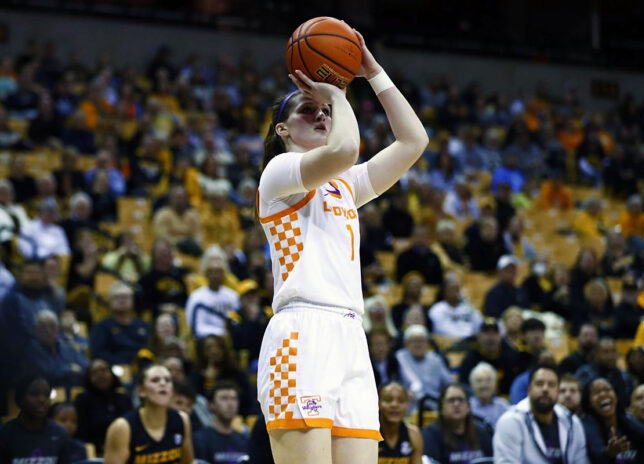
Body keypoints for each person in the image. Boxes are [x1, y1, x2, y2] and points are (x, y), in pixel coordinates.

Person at [256, 29, 428, 464]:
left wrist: (372, 71)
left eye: (325, 111)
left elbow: (413, 142)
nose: (322, 115)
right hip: (300, 335)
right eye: (308, 110)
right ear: (282, 129)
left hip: (351, 335)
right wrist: (337, 93)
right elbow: (347, 148)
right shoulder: (278, 174)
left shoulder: (343, 185)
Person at [493, 364, 588, 463]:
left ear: (558, 392)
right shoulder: (510, 421)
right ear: (529, 390)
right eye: (539, 384)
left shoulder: (573, 423)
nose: (545, 389)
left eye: (551, 385)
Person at [104, 364, 194, 464]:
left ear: (172, 391)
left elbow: (188, 462)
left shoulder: (182, 420)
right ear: (141, 391)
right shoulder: (122, 428)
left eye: (167, 380)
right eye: (155, 380)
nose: (163, 383)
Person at [580, 377, 644, 463]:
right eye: (597, 392)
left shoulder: (629, 424)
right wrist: (608, 453)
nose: (603, 394)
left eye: (608, 389)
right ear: (590, 403)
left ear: (616, 396)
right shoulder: (587, 425)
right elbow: (596, 454)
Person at [0, 377, 71, 463]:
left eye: (46, 395)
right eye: (34, 394)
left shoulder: (59, 433)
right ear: (21, 399)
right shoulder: (5, 434)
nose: (42, 400)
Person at [422, 384, 493, 463]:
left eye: (461, 400)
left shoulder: (481, 432)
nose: (456, 404)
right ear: (441, 407)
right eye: (451, 400)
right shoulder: (431, 434)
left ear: (468, 407)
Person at [74, 359, 133, 453]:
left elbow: (132, 426)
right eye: (95, 372)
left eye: (104, 370)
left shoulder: (123, 397)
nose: (100, 375)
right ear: (88, 377)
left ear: (111, 374)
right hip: (96, 450)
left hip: (124, 447)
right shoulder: (83, 400)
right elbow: (80, 433)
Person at [185, 245, 241, 339]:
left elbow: (237, 321)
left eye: (219, 271)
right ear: (206, 273)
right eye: (212, 271)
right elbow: (195, 327)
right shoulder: (196, 297)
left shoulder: (233, 296)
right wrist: (219, 333)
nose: (216, 275)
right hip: (205, 341)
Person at [89, 282, 150, 365]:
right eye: (117, 297)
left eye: (125, 297)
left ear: (132, 300)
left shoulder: (143, 326)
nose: (122, 300)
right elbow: (98, 354)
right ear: (109, 301)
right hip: (114, 370)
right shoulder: (101, 327)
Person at [457, 318, 522, 396]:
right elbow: (464, 386)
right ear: (479, 336)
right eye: (487, 333)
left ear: (500, 336)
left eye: (494, 333)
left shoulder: (511, 357)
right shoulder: (470, 359)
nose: (491, 338)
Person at [396, 325, 452, 408]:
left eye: (421, 341)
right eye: (414, 341)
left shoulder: (435, 359)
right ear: (406, 344)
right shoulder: (400, 357)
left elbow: (449, 383)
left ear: (427, 344)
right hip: (409, 405)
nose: (418, 345)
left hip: (434, 404)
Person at [194, 381, 250, 464]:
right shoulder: (199, 439)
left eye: (234, 399)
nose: (230, 404)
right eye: (224, 398)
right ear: (211, 405)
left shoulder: (245, 440)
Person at [575, 338, 635, 409]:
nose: (610, 356)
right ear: (596, 354)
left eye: (613, 351)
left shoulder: (625, 377)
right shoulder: (584, 373)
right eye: (606, 352)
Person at [377, 382, 423, 464]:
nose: (394, 405)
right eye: (388, 400)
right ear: (378, 403)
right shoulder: (369, 435)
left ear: (407, 405)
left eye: (401, 401)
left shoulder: (414, 435)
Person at [469, 362, 510, 426]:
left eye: (488, 380)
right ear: (472, 385)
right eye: (479, 381)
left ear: (495, 384)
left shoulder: (503, 406)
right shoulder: (468, 406)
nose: (484, 385)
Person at [483, 254, 520, 318]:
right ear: (499, 272)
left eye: (513, 269)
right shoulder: (493, 294)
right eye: (508, 270)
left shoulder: (519, 291)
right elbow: (493, 315)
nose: (512, 273)